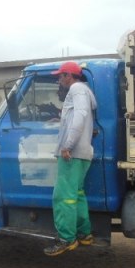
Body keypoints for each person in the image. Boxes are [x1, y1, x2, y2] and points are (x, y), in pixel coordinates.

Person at [44, 62, 101, 256]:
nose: (59, 80)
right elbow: (81, 117)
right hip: (83, 153)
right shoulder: (85, 91)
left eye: (61, 76)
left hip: (73, 153)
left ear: (69, 75)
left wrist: (67, 145)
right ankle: (84, 234)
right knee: (77, 194)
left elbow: (80, 116)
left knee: (63, 197)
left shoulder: (76, 89)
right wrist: (61, 119)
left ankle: (66, 239)